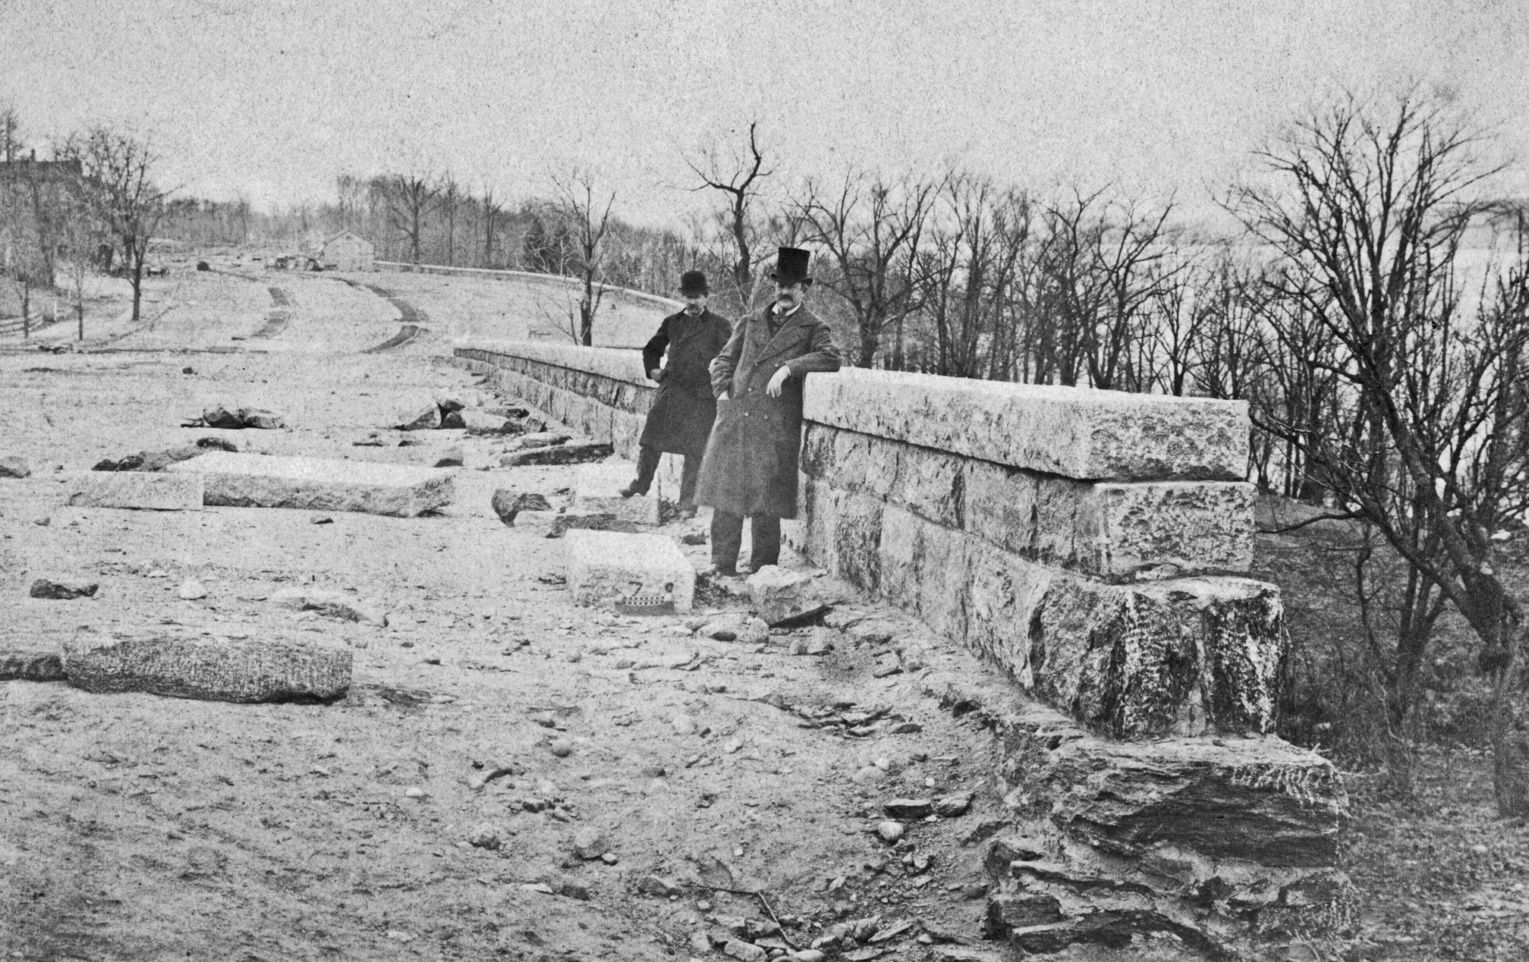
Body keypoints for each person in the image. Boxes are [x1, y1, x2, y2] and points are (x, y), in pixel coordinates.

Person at [695, 246, 842, 575]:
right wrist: (721, 391)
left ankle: (763, 570)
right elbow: (722, 361)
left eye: (791, 286)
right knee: (725, 495)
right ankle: (722, 565)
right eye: (779, 285)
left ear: (804, 289)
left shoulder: (813, 327)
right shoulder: (750, 322)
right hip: (736, 416)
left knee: (766, 500)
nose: (784, 292)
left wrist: (789, 367)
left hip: (773, 425)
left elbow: (831, 357)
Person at [620, 270, 733, 518]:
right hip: (672, 392)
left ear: (706, 297)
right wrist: (653, 371)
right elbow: (651, 349)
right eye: (687, 296)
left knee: (695, 450)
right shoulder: (672, 322)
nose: (691, 302)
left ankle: (687, 504)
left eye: (697, 296)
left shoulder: (720, 325)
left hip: (702, 396)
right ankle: (640, 484)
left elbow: (730, 355)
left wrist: (720, 377)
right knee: (651, 439)